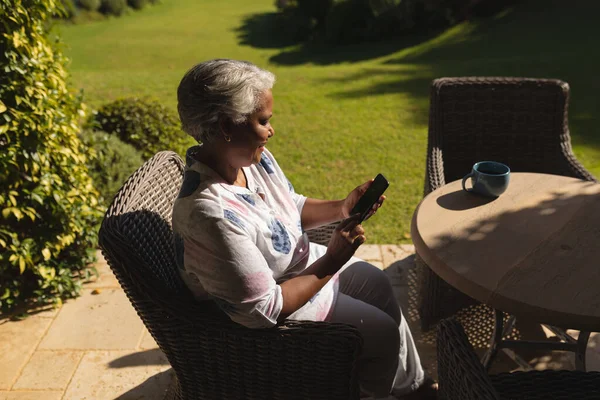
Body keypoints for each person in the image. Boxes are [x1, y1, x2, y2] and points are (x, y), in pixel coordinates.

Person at [172, 59, 436, 399]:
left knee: (380, 284)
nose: (271, 130)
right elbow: (263, 310)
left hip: (301, 271)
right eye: (263, 121)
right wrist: (333, 260)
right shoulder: (210, 215)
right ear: (226, 125)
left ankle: (409, 387)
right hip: (276, 309)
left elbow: (290, 207)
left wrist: (342, 207)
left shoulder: (253, 159)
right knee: (383, 333)